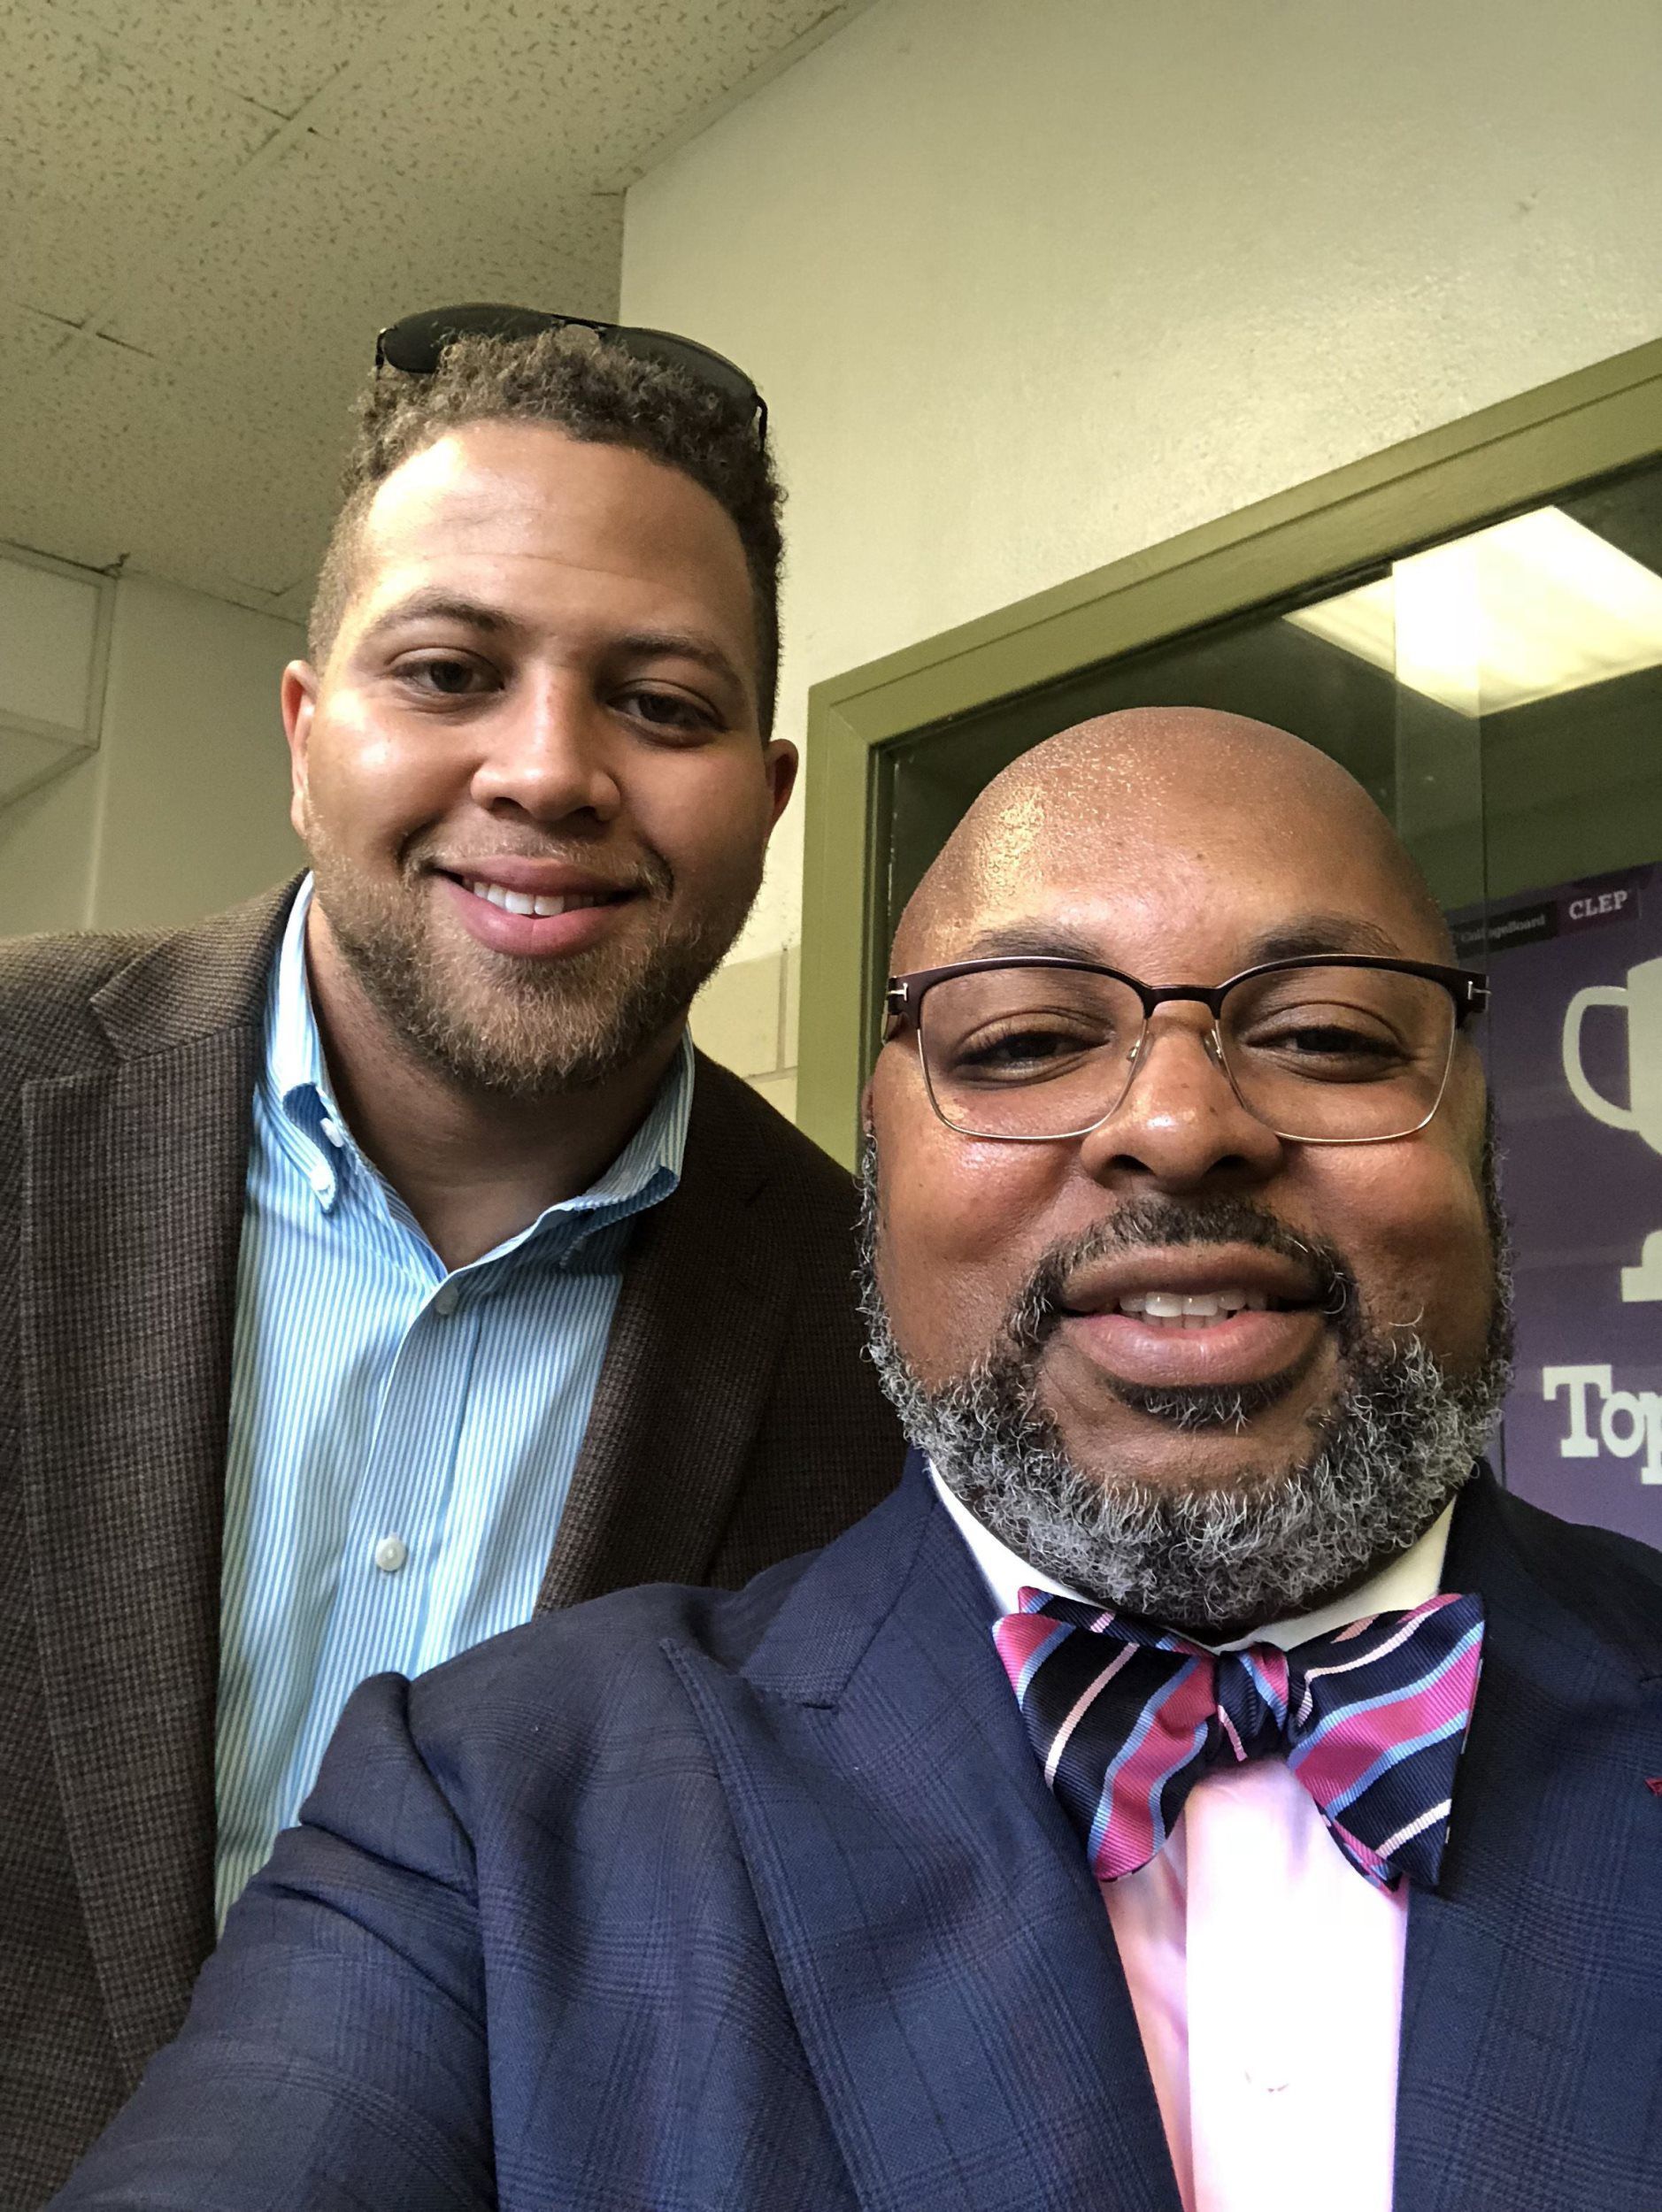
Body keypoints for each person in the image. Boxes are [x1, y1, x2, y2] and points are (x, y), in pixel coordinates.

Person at [48, 709, 1662, 2212]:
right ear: (876, 1171)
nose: (1179, 1127)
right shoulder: (483, 1810)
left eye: (1321, 1034)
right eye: (1026, 1040)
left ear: (1479, 1137)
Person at [2, 306, 904, 2208]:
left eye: (661, 704)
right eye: (448, 670)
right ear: (307, 732)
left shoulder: (883, 1330)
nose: (550, 769)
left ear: (766, 800)